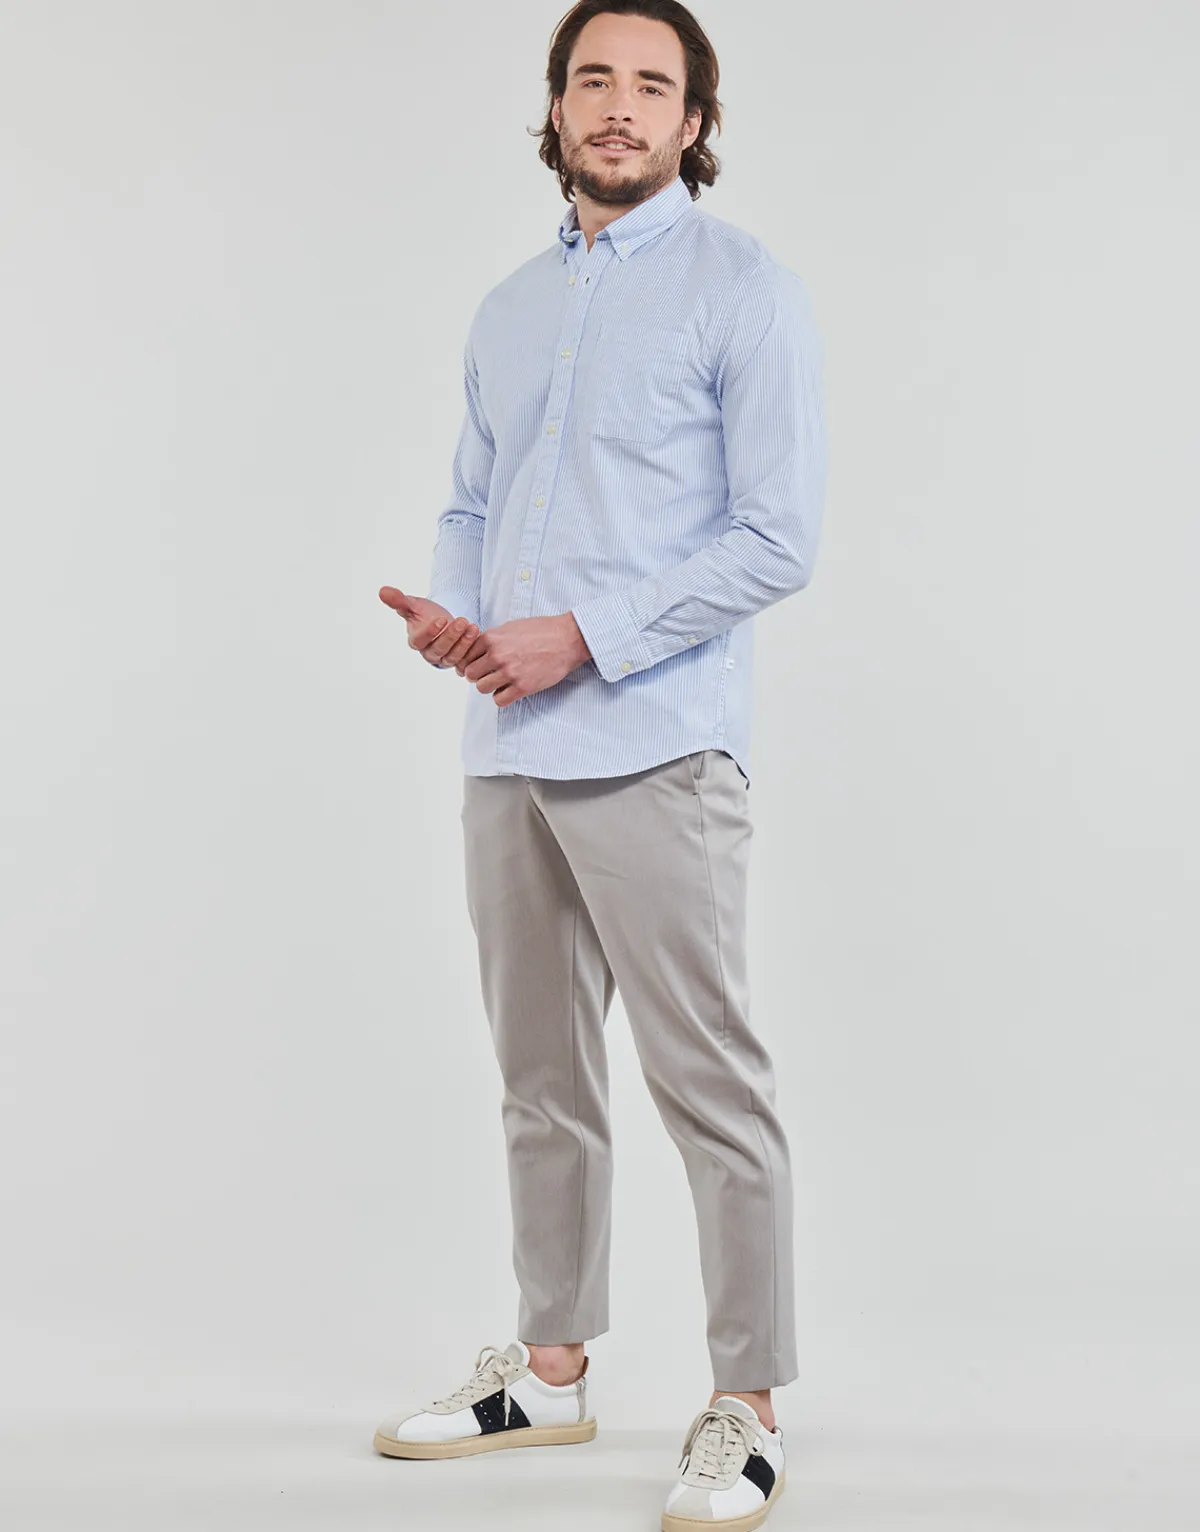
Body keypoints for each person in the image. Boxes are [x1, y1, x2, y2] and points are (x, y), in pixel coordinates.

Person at [375, 2, 826, 1526]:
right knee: (540, 1077)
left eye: (652, 84)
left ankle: (747, 1406)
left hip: (658, 743)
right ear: (557, 109)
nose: (619, 105)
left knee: (709, 1082)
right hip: (507, 746)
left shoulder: (743, 290)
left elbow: (778, 536)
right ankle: (551, 1371)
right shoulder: (508, 307)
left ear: (695, 121)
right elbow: (471, 498)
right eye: (593, 80)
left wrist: (584, 636)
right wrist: (463, 620)